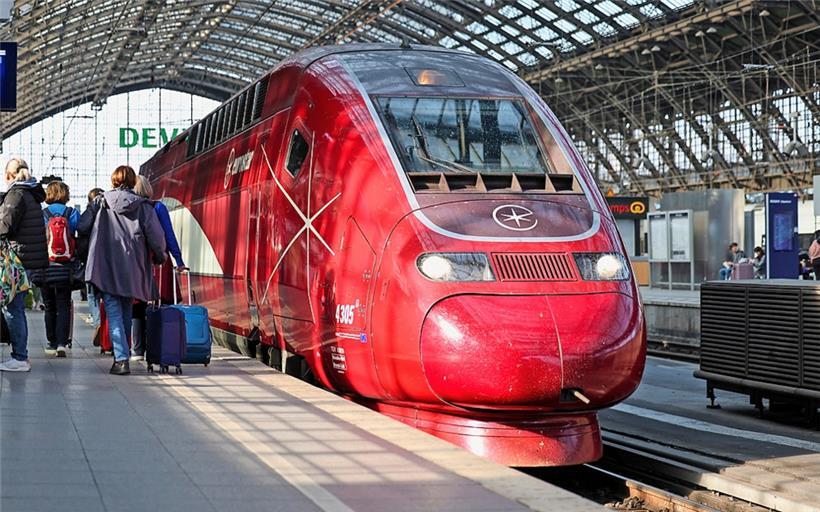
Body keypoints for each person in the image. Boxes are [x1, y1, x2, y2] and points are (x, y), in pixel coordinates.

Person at [83, 166, 166, 375]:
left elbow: (82, 226)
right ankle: (124, 353)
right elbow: (156, 237)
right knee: (126, 310)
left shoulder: (101, 202)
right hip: (133, 266)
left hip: (107, 264)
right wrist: (160, 256)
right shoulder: (144, 206)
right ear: (133, 182)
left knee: (113, 312)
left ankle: (121, 359)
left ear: (113, 181)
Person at [0, 158, 48, 372]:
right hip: (27, 257)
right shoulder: (30, 193)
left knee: (13, 308)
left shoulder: (16, 194)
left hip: (17, 260)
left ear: (8, 175)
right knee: (15, 306)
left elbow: (6, 226)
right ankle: (20, 355)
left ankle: (19, 357)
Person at [131, 175, 186, 361]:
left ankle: (137, 350)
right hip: (159, 263)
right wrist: (178, 260)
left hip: (135, 262)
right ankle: (162, 345)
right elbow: (169, 235)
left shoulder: (129, 208)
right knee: (162, 304)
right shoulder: (158, 207)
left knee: (137, 305)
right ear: (148, 189)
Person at [39, 181, 80, 357]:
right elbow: (79, 232)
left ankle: (51, 342)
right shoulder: (72, 213)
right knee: (63, 304)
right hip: (66, 266)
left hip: (46, 265)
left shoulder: (42, 214)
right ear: (65, 194)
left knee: (49, 306)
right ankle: (62, 343)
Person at [78, 188, 104, 333]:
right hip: (107, 261)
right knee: (108, 296)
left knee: (92, 294)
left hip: (90, 260)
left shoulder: (88, 213)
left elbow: (81, 231)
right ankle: (107, 326)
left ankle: (98, 322)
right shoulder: (110, 212)